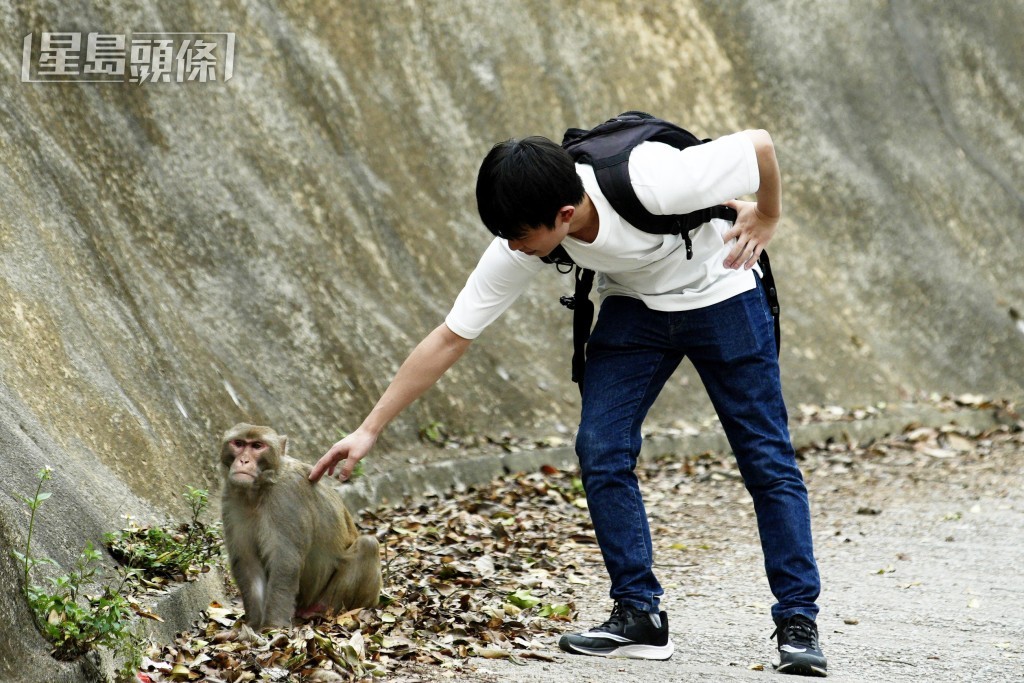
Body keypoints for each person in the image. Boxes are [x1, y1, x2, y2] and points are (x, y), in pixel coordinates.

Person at [310, 125, 827, 677]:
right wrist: (368, 430)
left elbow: (761, 145)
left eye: (519, 235)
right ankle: (639, 615)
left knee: (765, 458)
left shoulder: (654, 181)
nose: (512, 246)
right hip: (636, 308)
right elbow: (451, 335)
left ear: (563, 214)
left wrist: (767, 216)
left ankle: (798, 621)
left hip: (722, 292)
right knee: (601, 447)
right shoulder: (527, 228)